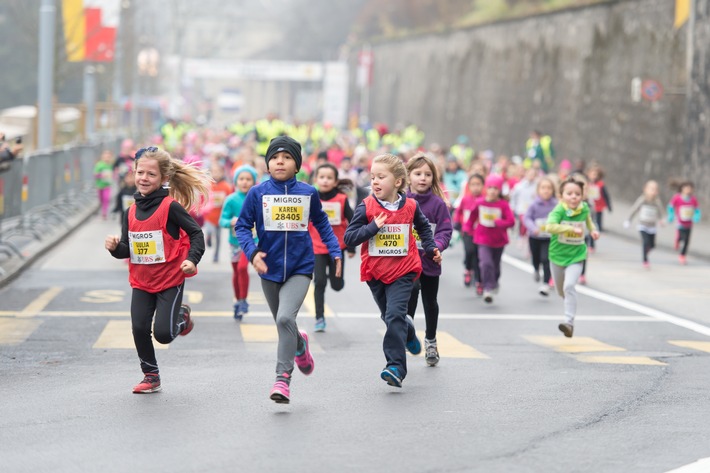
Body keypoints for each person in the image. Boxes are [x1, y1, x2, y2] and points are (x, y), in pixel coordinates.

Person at [235, 136, 342, 404]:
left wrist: (335, 252)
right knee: (284, 323)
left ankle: (282, 380)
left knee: (284, 319)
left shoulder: (308, 193)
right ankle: (299, 345)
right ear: (267, 165)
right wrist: (253, 253)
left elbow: (322, 223)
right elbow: (242, 227)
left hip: (300, 267)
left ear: (298, 165)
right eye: (274, 157)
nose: (280, 161)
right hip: (268, 269)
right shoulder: (257, 193)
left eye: (287, 157)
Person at [104, 146, 210, 393]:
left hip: (170, 279)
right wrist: (114, 247)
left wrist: (192, 260)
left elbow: (196, 234)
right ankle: (151, 376)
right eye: (140, 172)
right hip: (141, 280)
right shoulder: (129, 211)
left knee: (163, 334)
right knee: (139, 327)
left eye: (151, 175)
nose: (144, 178)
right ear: (134, 173)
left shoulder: (170, 207)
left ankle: (181, 319)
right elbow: (126, 249)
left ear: (163, 178)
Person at [344, 154, 441, 388]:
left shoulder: (410, 205)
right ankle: (407, 332)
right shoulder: (366, 206)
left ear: (397, 182)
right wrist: (372, 227)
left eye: (381, 177)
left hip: (404, 270)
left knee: (394, 315)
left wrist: (430, 248)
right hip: (376, 274)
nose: (374, 182)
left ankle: (395, 366)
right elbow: (349, 237)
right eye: (372, 177)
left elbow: (424, 228)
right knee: (391, 318)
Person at [405, 154, 452, 367]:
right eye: (417, 173)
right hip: (406, 263)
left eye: (428, 174)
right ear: (407, 177)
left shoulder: (438, 204)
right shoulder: (401, 201)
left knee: (430, 303)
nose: (422, 178)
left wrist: (437, 247)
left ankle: (431, 340)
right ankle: (408, 333)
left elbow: (444, 230)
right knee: (410, 294)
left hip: (430, 262)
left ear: (434, 178)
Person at [541, 178, 599, 338]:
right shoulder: (558, 211)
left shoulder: (584, 209)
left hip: (577, 255)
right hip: (557, 256)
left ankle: (569, 323)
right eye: (569, 193)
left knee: (569, 286)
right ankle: (567, 304)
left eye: (577, 194)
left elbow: (589, 222)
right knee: (561, 291)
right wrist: (569, 228)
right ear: (561, 196)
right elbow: (550, 226)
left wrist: (593, 231)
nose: (574, 197)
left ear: (582, 196)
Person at [309, 163, 355, 332]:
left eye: (329, 178)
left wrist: (351, 247)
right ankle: (319, 318)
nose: (325, 180)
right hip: (316, 246)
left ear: (336, 182)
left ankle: (333, 277)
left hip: (338, 247)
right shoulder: (311, 198)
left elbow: (353, 222)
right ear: (316, 180)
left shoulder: (341, 199)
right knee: (319, 282)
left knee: (337, 285)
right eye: (322, 177)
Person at [463, 174, 515, 304]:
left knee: (495, 266)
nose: (492, 191)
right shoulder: (480, 202)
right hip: (482, 238)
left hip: (498, 240)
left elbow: (511, 221)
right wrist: (467, 228)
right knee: (485, 263)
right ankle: (487, 288)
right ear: (486, 188)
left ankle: (495, 281)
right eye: (490, 187)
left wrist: (500, 223)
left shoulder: (503, 205)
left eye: (495, 188)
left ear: (500, 190)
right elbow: (471, 218)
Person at [219, 165, 258, 319]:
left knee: (242, 268)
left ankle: (243, 300)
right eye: (241, 179)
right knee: (236, 271)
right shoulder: (231, 200)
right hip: (234, 242)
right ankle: (238, 300)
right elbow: (222, 220)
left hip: (252, 241)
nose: (245, 182)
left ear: (254, 182)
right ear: (236, 181)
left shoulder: (256, 197)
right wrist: (231, 221)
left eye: (248, 179)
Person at [523, 176, 557, 295]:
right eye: (543, 188)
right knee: (536, 258)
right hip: (535, 237)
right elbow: (526, 218)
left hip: (549, 237)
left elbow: (562, 217)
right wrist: (533, 228)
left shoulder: (556, 205)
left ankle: (546, 284)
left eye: (549, 188)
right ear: (538, 190)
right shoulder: (534, 204)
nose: (546, 190)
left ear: (553, 190)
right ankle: (536, 269)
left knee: (546, 259)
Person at [454, 173, 485, 294]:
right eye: (473, 184)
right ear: (469, 186)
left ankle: (479, 282)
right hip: (467, 231)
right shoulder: (466, 199)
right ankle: (468, 269)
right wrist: (457, 223)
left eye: (478, 184)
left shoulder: (485, 199)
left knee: (479, 257)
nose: (475, 187)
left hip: (481, 233)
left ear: (483, 186)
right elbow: (459, 212)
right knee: (469, 251)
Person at [624, 180, 665, 269]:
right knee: (645, 242)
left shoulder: (657, 201)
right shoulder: (642, 200)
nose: (653, 191)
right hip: (643, 225)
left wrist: (661, 220)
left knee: (652, 245)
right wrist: (628, 220)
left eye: (655, 189)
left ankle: (647, 249)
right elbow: (634, 209)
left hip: (652, 226)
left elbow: (660, 211)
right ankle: (645, 260)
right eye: (651, 189)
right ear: (645, 189)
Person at [204, 162, 233, 262]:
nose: (216, 174)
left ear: (222, 173)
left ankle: (216, 255)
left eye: (218, 172)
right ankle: (208, 237)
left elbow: (230, 200)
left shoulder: (226, 186)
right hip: (209, 215)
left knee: (218, 238)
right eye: (214, 172)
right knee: (210, 230)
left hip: (220, 216)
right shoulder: (208, 185)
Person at [668, 181, 701, 265]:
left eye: (690, 188)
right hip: (680, 223)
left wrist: (696, 216)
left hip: (689, 223)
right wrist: (671, 215)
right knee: (682, 237)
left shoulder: (693, 199)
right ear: (682, 189)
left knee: (686, 241)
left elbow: (697, 209)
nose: (688, 190)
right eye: (686, 188)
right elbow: (670, 206)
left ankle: (682, 256)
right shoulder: (677, 198)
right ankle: (677, 240)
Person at [585, 164, 612, 252]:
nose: (593, 176)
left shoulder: (601, 185)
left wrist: (609, 206)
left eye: (595, 174)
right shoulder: (586, 184)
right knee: (588, 226)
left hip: (598, 208)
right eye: (592, 174)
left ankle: (592, 243)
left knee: (595, 225)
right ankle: (588, 243)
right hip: (588, 208)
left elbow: (606, 195)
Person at [94, 150, 114, 220]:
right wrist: (101, 175)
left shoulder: (111, 165)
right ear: (102, 157)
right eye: (105, 156)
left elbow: (114, 173)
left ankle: (104, 212)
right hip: (100, 185)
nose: (107, 158)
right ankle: (102, 207)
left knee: (106, 198)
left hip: (107, 185)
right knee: (101, 199)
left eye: (108, 157)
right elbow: (95, 175)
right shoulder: (99, 165)